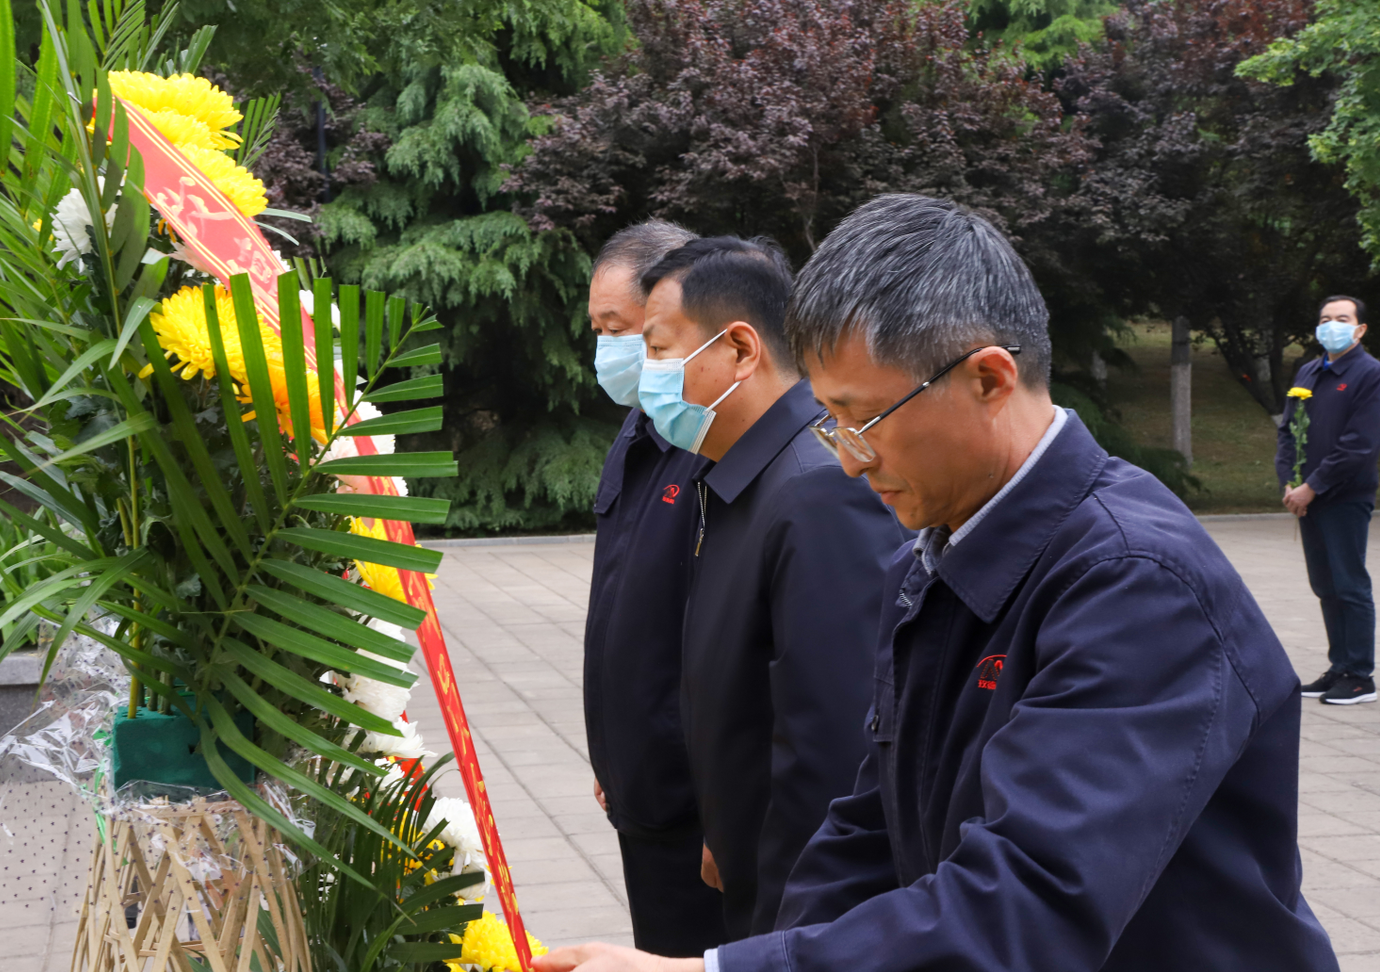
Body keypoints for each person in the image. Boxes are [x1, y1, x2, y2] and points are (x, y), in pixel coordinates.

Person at [536, 195, 1338, 972]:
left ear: (988, 379)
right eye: (830, 419)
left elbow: (1025, 903)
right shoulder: (933, 552)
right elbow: (869, 826)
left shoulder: (1132, 584)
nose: (849, 459)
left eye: (862, 419)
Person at [636, 236, 908, 941]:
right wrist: (725, 826)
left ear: (739, 349)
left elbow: (838, 744)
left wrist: (797, 924)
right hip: (757, 871)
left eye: (659, 349)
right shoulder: (743, 475)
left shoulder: (817, 489)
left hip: (805, 906)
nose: (646, 374)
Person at [582, 220, 730, 956]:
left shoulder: (713, 441)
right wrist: (612, 753)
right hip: (639, 790)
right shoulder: (643, 426)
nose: (606, 348)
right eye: (598, 330)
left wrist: (726, 814)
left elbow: (731, 644)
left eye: (620, 329)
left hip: (695, 808)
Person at [1278, 295, 1380, 706]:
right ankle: (1339, 666)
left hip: (1344, 495)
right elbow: (1288, 432)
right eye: (1324, 319)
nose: (1331, 325)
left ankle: (1359, 676)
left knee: (1349, 584)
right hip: (1307, 496)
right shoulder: (1309, 371)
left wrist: (1314, 485)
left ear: (1360, 329)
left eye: (1341, 318)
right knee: (1325, 585)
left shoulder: (1370, 374)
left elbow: (1360, 443)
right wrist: (1290, 483)